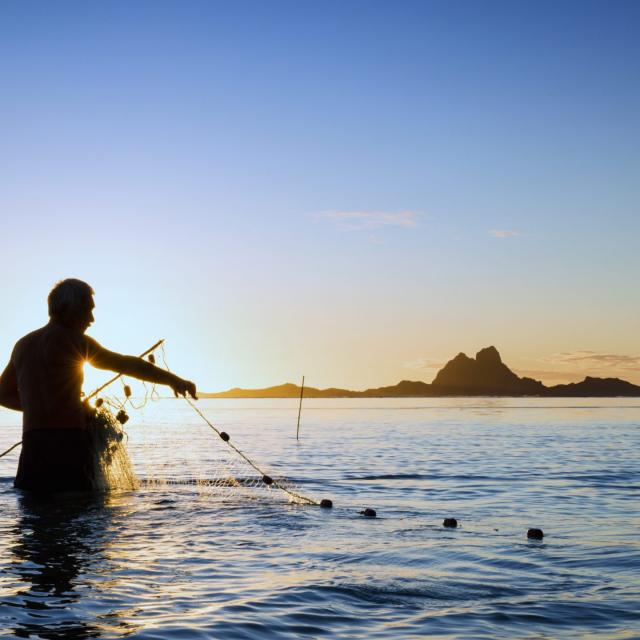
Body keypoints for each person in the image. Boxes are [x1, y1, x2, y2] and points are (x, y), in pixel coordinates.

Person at [0, 278, 197, 492]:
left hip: (33, 450)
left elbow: (2, 395)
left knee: (38, 518)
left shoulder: (23, 345)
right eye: (88, 310)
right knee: (77, 515)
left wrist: (35, 407)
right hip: (70, 447)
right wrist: (172, 380)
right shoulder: (75, 341)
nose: (92, 319)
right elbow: (125, 364)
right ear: (72, 309)